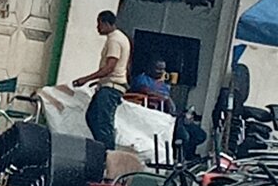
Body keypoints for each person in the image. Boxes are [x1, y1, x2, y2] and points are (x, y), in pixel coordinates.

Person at [73, 10, 131, 151]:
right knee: (92, 117)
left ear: (105, 23)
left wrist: (85, 79)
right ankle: (100, 149)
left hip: (111, 88)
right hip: (109, 85)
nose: (97, 28)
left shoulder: (114, 40)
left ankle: (107, 154)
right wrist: (99, 81)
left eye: (99, 24)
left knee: (103, 123)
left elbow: (110, 67)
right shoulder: (121, 38)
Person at [132, 58, 207, 161]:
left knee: (200, 134)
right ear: (149, 68)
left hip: (172, 116)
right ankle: (179, 160)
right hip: (157, 117)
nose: (161, 72)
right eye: (158, 69)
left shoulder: (164, 85)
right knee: (184, 136)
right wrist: (164, 98)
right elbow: (145, 91)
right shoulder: (142, 79)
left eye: (163, 69)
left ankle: (189, 158)